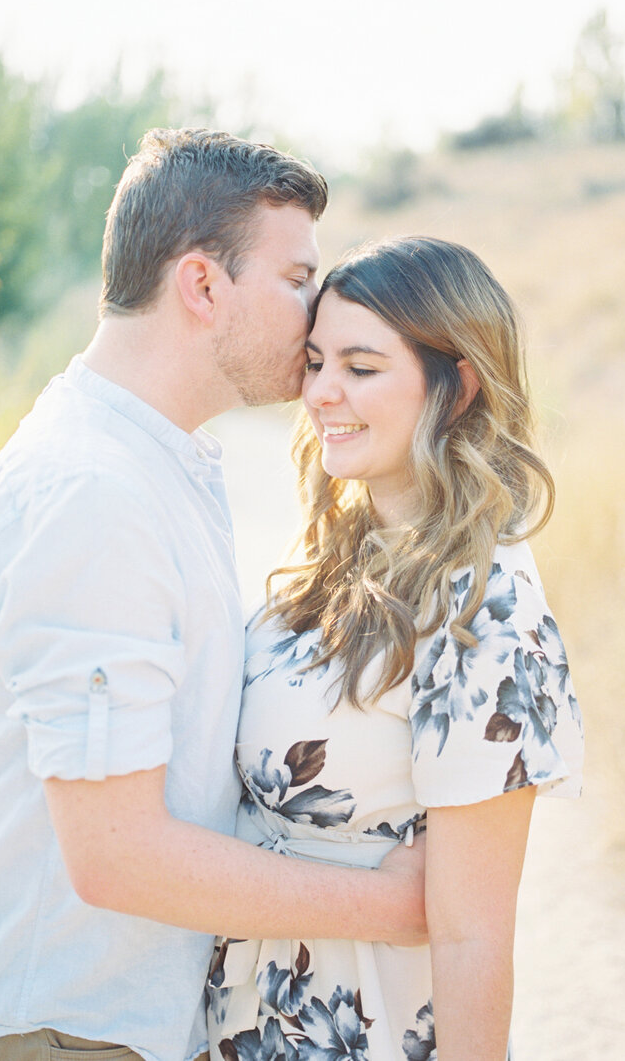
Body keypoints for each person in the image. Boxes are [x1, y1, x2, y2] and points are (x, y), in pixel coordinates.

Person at [0, 130, 426, 1061]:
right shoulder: (92, 492)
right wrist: (391, 903)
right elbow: (116, 852)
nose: (317, 310)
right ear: (203, 286)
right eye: (294, 278)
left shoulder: (152, 459)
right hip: (57, 1035)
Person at [205, 237, 584, 1061]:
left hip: (368, 1029)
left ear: (458, 386)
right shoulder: (325, 562)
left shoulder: (482, 604)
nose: (321, 392)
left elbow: (473, 935)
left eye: (361, 366)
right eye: (314, 361)